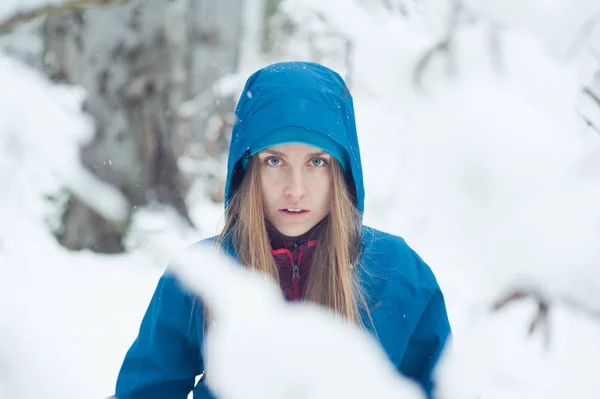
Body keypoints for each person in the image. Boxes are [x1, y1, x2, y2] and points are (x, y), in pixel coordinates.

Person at [114, 61, 451, 399]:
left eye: (316, 162)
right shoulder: (206, 272)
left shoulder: (397, 272)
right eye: (275, 161)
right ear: (247, 170)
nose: (295, 189)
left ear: (343, 172)